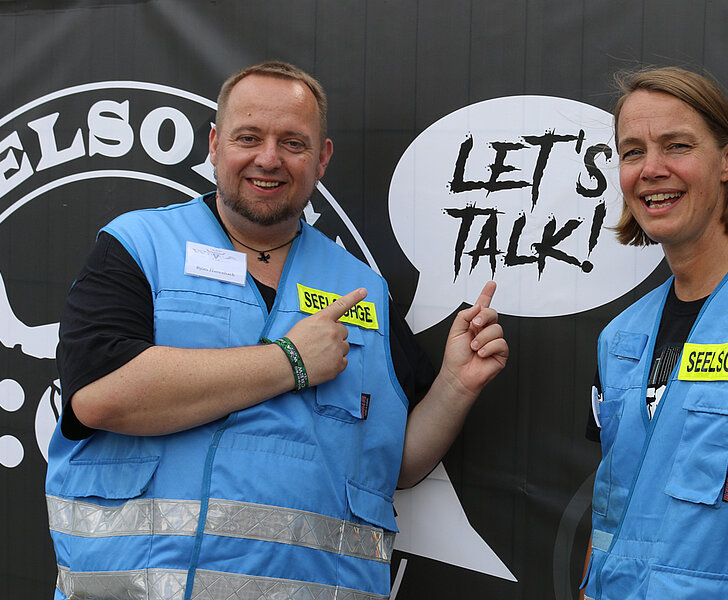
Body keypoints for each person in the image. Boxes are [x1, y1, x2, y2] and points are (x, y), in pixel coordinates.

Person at [45, 61, 508, 600]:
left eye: (293, 142)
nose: (268, 158)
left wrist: (455, 386)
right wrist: (288, 360)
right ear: (215, 144)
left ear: (321, 159)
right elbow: (100, 399)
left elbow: (394, 465)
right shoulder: (139, 247)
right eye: (248, 137)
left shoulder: (363, 289)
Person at [580, 66, 728, 599]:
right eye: (632, 152)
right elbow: (611, 517)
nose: (651, 169)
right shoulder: (620, 339)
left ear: (727, 159)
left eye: (675, 146)